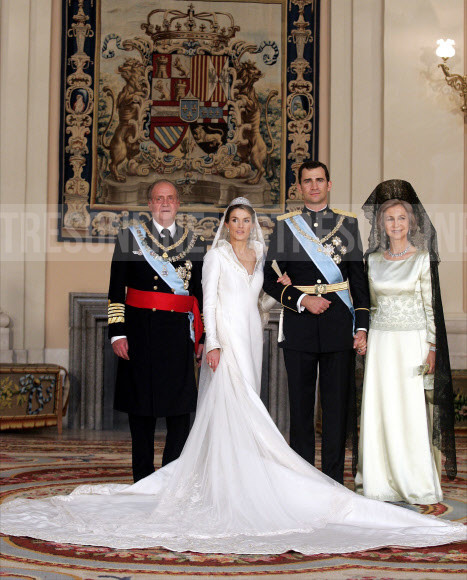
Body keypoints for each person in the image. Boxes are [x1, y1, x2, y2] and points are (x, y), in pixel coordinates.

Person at [0, 196, 464, 554]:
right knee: (233, 403)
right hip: (228, 343)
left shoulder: (261, 258)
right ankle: (227, 477)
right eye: (235, 221)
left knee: (249, 404)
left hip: (255, 338)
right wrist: (215, 343)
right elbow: (210, 303)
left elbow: (269, 294)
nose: (241, 227)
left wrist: (293, 294)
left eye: (247, 221)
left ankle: (244, 465)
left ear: (253, 226)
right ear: (226, 225)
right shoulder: (217, 256)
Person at [263, 161, 370, 483]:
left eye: (319, 180)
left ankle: (334, 481)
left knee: (337, 411)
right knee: (300, 410)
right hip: (300, 325)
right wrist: (302, 299)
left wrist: (362, 327)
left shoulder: (347, 225)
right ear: (299, 187)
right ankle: (305, 482)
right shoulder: (285, 226)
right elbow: (269, 279)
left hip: (339, 325)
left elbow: (359, 282)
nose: (313, 186)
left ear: (329, 184)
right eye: (307, 181)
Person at [355, 180, 457, 503]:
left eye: (401, 218)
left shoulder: (423, 259)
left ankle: (414, 479)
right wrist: (365, 337)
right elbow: (369, 307)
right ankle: (379, 479)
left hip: (413, 344)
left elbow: (430, 308)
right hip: (382, 346)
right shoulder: (372, 261)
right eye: (389, 219)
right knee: (381, 409)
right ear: (381, 224)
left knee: (412, 411)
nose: (396, 224)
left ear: (411, 222)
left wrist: (432, 348)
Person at [108, 180, 206, 482]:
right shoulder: (130, 238)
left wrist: (202, 335)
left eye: (170, 198)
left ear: (178, 204)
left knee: (179, 411)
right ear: (150, 204)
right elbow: (115, 289)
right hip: (140, 332)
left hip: (178, 334)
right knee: (142, 411)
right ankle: (142, 479)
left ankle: (170, 479)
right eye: (158, 198)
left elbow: (199, 294)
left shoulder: (195, 242)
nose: (165, 203)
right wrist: (117, 332)